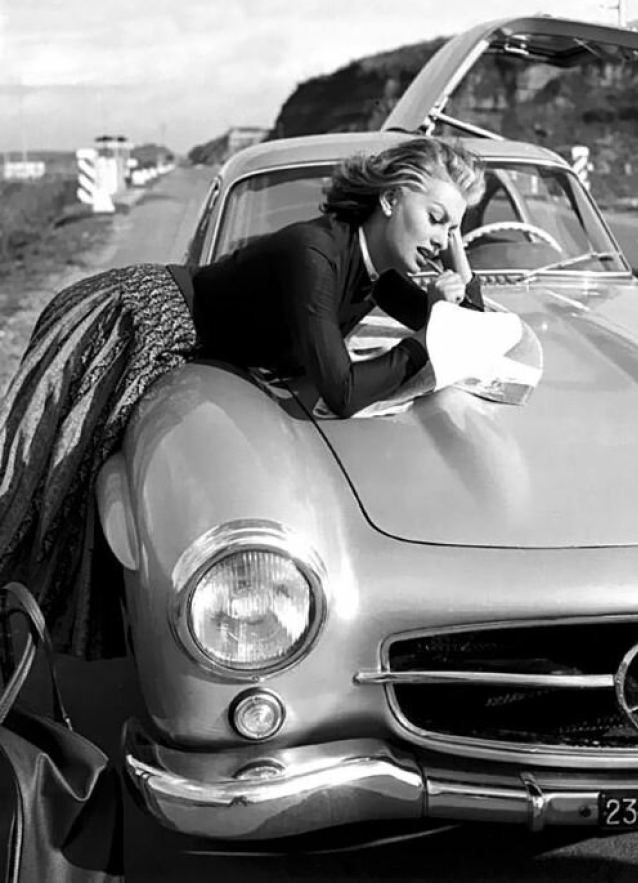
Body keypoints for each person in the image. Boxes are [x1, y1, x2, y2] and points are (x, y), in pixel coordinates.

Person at [0, 136, 486, 659]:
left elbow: (480, 334)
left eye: (455, 226)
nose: (443, 238)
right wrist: (424, 340)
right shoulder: (314, 253)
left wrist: (458, 269)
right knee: (49, 482)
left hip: (176, 343)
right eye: (437, 218)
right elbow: (342, 391)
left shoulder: (378, 278)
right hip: (133, 319)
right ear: (389, 199)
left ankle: (41, 636)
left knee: (76, 499)